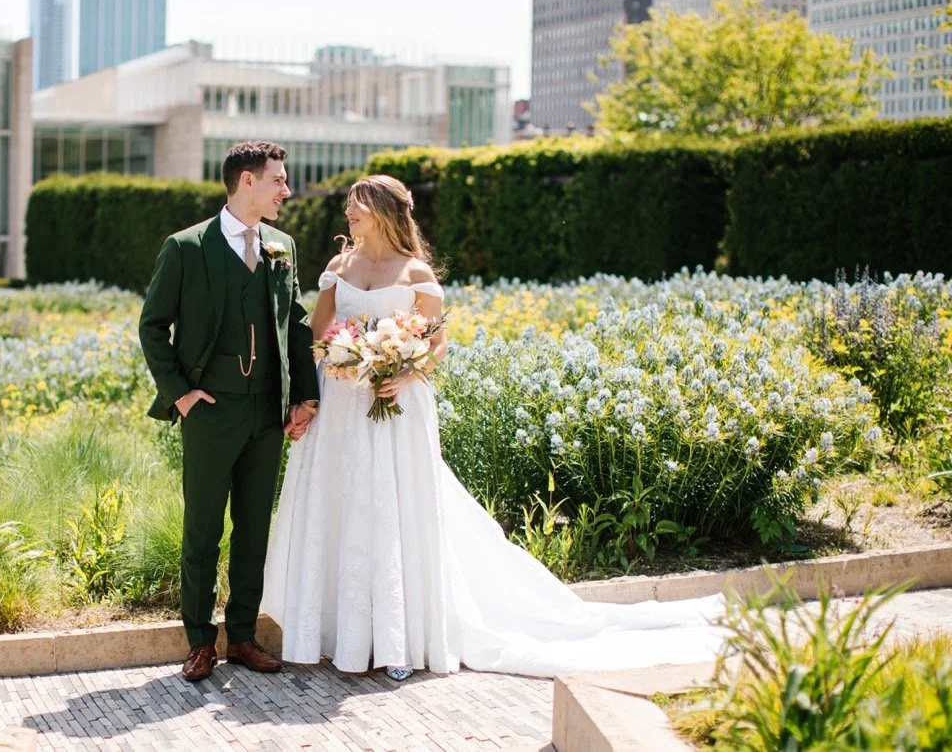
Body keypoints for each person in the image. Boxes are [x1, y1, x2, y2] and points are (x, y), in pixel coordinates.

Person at [262, 174, 725, 681]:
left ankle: (400, 639)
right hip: (344, 405)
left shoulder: (415, 272)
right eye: (349, 205)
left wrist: (404, 369)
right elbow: (318, 333)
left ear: (386, 212)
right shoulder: (338, 267)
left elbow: (435, 345)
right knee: (344, 507)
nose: (348, 212)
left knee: (394, 510)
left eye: (358, 204)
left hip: (397, 407)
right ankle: (339, 633)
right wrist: (341, 363)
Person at [139, 141, 319, 682]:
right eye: (278, 181)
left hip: (267, 411)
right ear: (247, 182)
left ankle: (242, 636)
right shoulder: (186, 247)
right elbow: (152, 325)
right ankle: (199, 642)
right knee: (201, 529)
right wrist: (181, 394)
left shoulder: (281, 246)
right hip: (211, 411)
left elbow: (297, 321)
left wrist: (303, 398)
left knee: (252, 530)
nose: (286, 191)